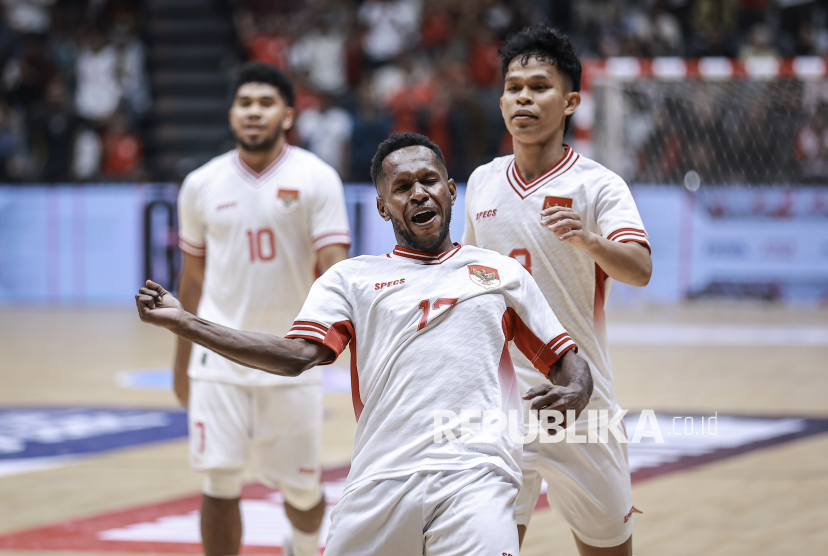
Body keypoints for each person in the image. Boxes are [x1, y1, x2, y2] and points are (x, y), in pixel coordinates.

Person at [138, 132, 594, 556]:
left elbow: (567, 362)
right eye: (402, 186)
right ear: (382, 206)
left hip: (476, 475)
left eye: (429, 180)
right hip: (380, 480)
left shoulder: (500, 274)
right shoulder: (350, 280)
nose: (419, 193)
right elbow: (296, 356)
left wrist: (577, 389)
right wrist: (186, 323)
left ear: (452, 191)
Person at [462, 26, 652, 556]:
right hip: (500, 407)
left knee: (608, 548)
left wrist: (589, 240)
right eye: (513, 86)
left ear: (570, 101)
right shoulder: (481, 182)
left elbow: (639, 268)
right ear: (501, 99)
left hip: (581, 400)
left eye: (539, 86)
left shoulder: (599, 185)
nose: (523, 97)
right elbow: (471, 282)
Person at [172, 62, 351, 556]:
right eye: (245, 103)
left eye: (265, 103)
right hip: (217, 355)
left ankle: (304, 544)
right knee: (219, 478)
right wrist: (183, 359)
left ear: (288, 115)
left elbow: (336, 270)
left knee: (300, 490)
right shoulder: (200, 184)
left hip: (291, 355)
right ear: (231, 114)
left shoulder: (317, 178)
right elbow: (191, 277)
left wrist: (341, 343)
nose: (254, 112)